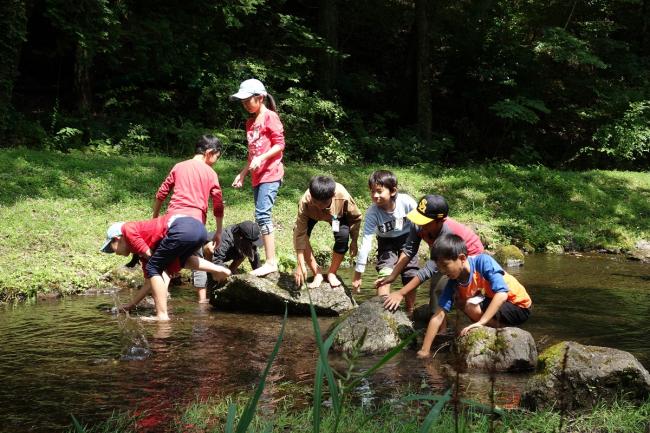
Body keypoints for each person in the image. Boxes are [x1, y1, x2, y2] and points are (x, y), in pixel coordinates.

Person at [417, 234, 532, 358]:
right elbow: (439, 315)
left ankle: (504, 330)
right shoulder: (453, 281)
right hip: (495, 301)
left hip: (519, 306)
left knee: (470, 305)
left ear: (462, 258)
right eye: (439, 267)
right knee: (462, 303)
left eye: (445, 265)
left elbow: (502, 294)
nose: (442, 271)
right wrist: (425, 350)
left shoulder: (482, 261)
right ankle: (494, 327)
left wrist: (481, 322)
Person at [100, 214, 231, 321]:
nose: (115, 253)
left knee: (154, 267)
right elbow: (148, 283)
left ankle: (162, 315)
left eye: (112, 249)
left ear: (117, 239)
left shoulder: (127, 230)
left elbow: (154, 264)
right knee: (181, 261)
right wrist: (130, 306)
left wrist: (166, 270)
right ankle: (219, 269)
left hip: (181, 229)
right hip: (199, 229)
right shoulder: (142, 244)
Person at [380, 194, 484, 316]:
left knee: (445, 289)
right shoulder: (418, 223)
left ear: (441, 221)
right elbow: (409, 250)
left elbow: (429, 269)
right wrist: (392, 276)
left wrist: (401, 293)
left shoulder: (447, 232)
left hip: (471, 255)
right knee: (438, 290)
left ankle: (447, 325)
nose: (421, 225)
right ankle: (440, 323)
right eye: (419, 219)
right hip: (444, 256)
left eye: (425, 222)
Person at [152, 135, 225, 302]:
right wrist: (219, 231)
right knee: (196, 259)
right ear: (209, 152)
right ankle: (201, 301)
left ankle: (160, 302)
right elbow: (218, 204)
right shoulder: (211, 173)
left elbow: (161, 193)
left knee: (166, 262)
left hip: (173, 222)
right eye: (217, 157)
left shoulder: (179, 167)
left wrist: (155, 219)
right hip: (195, 225)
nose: (215, 161)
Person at [229, 78, 285, 277]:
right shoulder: (250, 123)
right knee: (261, 216)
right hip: (257, 176)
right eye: (242, 101)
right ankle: (268, 261)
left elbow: (280, 145)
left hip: (271, 173)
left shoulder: (270, 117)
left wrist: (262, 157)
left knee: (263, 215)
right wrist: (243, 174)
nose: (244, 104)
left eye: (247, 100)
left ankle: (271, 262)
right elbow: (252, 154)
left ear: (260, 98)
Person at [352, 170, 418, 296]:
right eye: (372, 191)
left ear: (393, 191)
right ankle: (382, 312)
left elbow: (422, 223)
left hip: (408, 239)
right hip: (386, 243)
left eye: (379, 191)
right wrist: (358, 274)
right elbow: (366, 243)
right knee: (384, 274)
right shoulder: (373, 213)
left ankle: (410, 311)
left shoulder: (406, 202)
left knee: (410, 274)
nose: (375, 195)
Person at [293, 175, 362, 288]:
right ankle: (317, 273)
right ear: (310, 194)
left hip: (335, 215)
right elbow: (299, 233)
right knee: (302, 235)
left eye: (323, 203)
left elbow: (355, 218)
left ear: (333, 195)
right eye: (316, 202)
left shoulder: (342, 196)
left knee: (343, 236)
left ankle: (332, 273)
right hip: (311, 215)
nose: (319, 206)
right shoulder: (305, 201)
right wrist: (300, 264)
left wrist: (354, 241)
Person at [192, 221, 263, 291]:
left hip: (223, 254)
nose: (253, 245)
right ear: (241, 237)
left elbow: (254, 256)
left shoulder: (245, 237)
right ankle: (209, 276)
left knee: (247, 250)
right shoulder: (225, 239)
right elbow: (216, 261)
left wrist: (260, 275)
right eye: (251, 243)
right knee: (210, 248)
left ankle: (231, 272)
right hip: (203, 254)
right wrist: (228, 278)